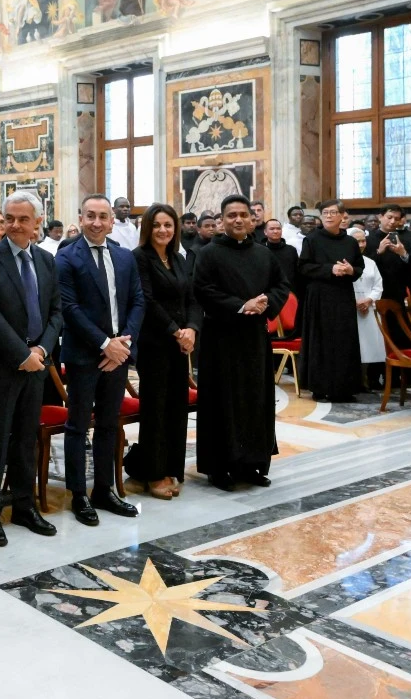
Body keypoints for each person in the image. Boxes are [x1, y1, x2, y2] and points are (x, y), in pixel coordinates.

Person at [0, 191, 62, 542]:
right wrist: (20, 353)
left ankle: (25, 506)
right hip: (1, 366)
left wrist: (41, 349)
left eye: (22, 219)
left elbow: (56, 311)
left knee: (27, 439)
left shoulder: (45, 260)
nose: (13, 225)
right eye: (9, 218)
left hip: (37, 364)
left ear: (37, 222)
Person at [55, 195, 143, 525]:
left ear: (110, 221)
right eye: (90, 216)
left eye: (102, 217)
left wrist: (123, 344)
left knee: (109, 424)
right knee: (78, 426)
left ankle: (104, 489)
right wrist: (105, 344)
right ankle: (78, 494)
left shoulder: (123, 256)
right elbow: (69, 308)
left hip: (118, 355)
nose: (96, 222)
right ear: (81, 217)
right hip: (83, 355)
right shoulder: (67, 257)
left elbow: (136, 301)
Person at [192, 195, 287, 490]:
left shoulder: (263, 254)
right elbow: (202, 290)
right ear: (221, 221)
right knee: (222, 402)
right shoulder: (208, 254)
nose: (237, 220)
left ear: (252, 219)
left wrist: (266, 302)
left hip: (255, 339)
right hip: (220, 338)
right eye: (231, 215)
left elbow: (281, 285)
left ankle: (252, 464)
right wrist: (240, 305)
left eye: (243, 215)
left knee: (255, 401)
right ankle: (219, 468)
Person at [125, 203, 200, 500]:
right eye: (156, 225)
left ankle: (171, 468)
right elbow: (147, 299)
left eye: (168, 225)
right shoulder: (139, 258)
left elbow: (193, 297)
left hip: (181, 345)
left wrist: (192, 328)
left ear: (175, 228)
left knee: (176, 408)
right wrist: (175, 330)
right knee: (156, 409)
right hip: (155, 344)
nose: (162, 230)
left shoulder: (179, 259)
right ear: (147, 228)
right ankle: (153, 474)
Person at [297, 199, 363, 402]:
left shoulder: (350, 242)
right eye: (325, 212)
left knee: (345, 341)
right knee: (321, 341)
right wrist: (329, 269)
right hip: (320, 296)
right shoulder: (312, 239)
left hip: (343, 296)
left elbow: (359, 268)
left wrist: (351, 270)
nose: (328, 216)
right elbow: (303, 268)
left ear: (342, 216)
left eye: (332, 212)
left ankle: (344, 388)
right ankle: (320, 388)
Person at [348, 226, 385, 390]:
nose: (361, 244)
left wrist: (369, 300)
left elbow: (378, 286)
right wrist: (355, 302)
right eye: (357, 241)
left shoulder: (370, 262)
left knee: (369, 347)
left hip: (368, 309)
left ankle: (366, 379)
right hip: (349, 309)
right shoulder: (343, 262)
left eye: (363, 240)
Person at [262, 219, 300, 293]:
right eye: (272, 229)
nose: (275, 231)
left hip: (289, 291)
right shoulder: (260, 250)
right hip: (267, 292)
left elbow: (296, 274)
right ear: (265, 232)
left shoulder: (291, 250)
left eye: (278, 228)